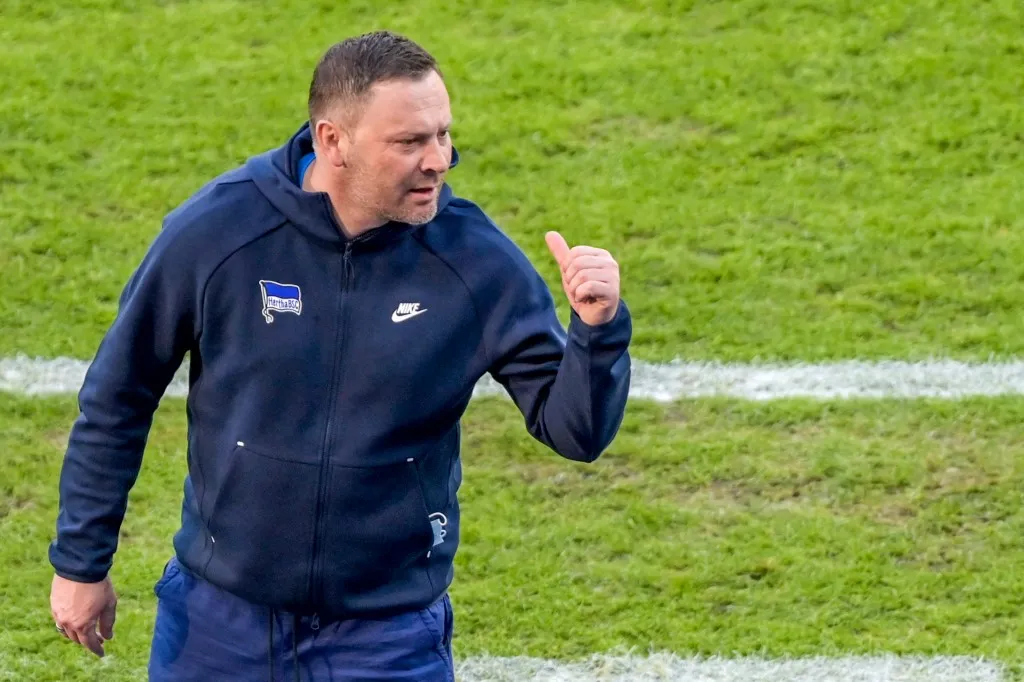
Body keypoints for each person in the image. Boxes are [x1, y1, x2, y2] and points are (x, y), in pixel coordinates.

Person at [48, 30, 632, 682]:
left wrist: (597, 331)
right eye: (409, 142)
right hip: (219, 624)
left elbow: (575, 431)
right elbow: (119, 395)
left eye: (443, 135)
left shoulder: (475, 262)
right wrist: (80, 563)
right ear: (333, 141)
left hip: (386, 638)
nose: (439, 160)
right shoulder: (218, 233)